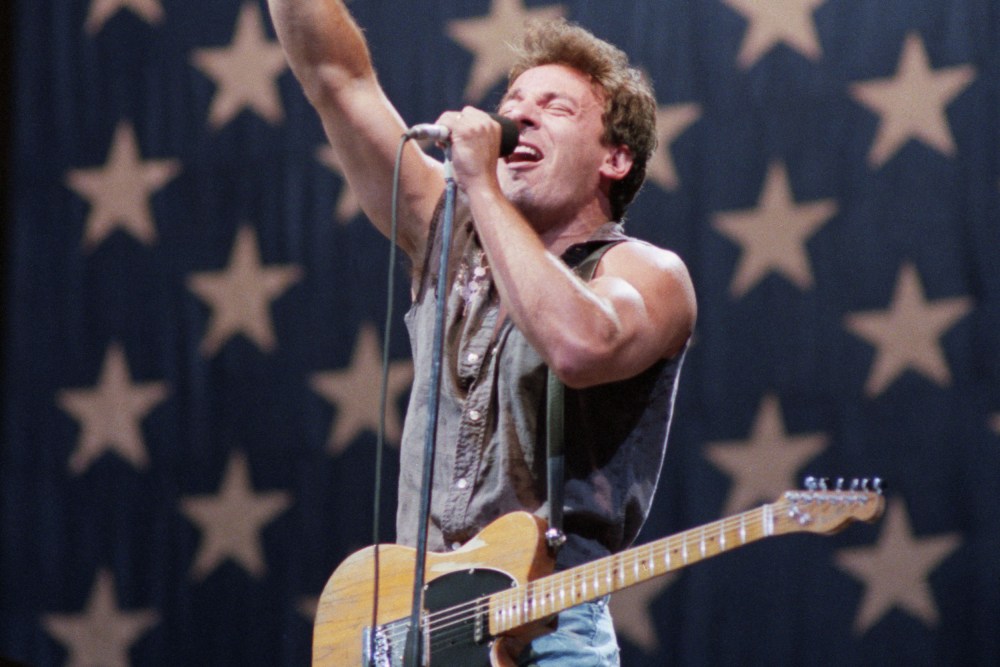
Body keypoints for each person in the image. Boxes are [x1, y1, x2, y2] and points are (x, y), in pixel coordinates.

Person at [267, 2, 697, 664]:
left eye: (556, 108)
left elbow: (580, 345)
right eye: (514, 99)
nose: (519, 114)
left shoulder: (647, 271)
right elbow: (337, 79)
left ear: (615, 157)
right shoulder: (449, 231)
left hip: (549, 631)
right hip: (416, 624)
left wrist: (480, 186)